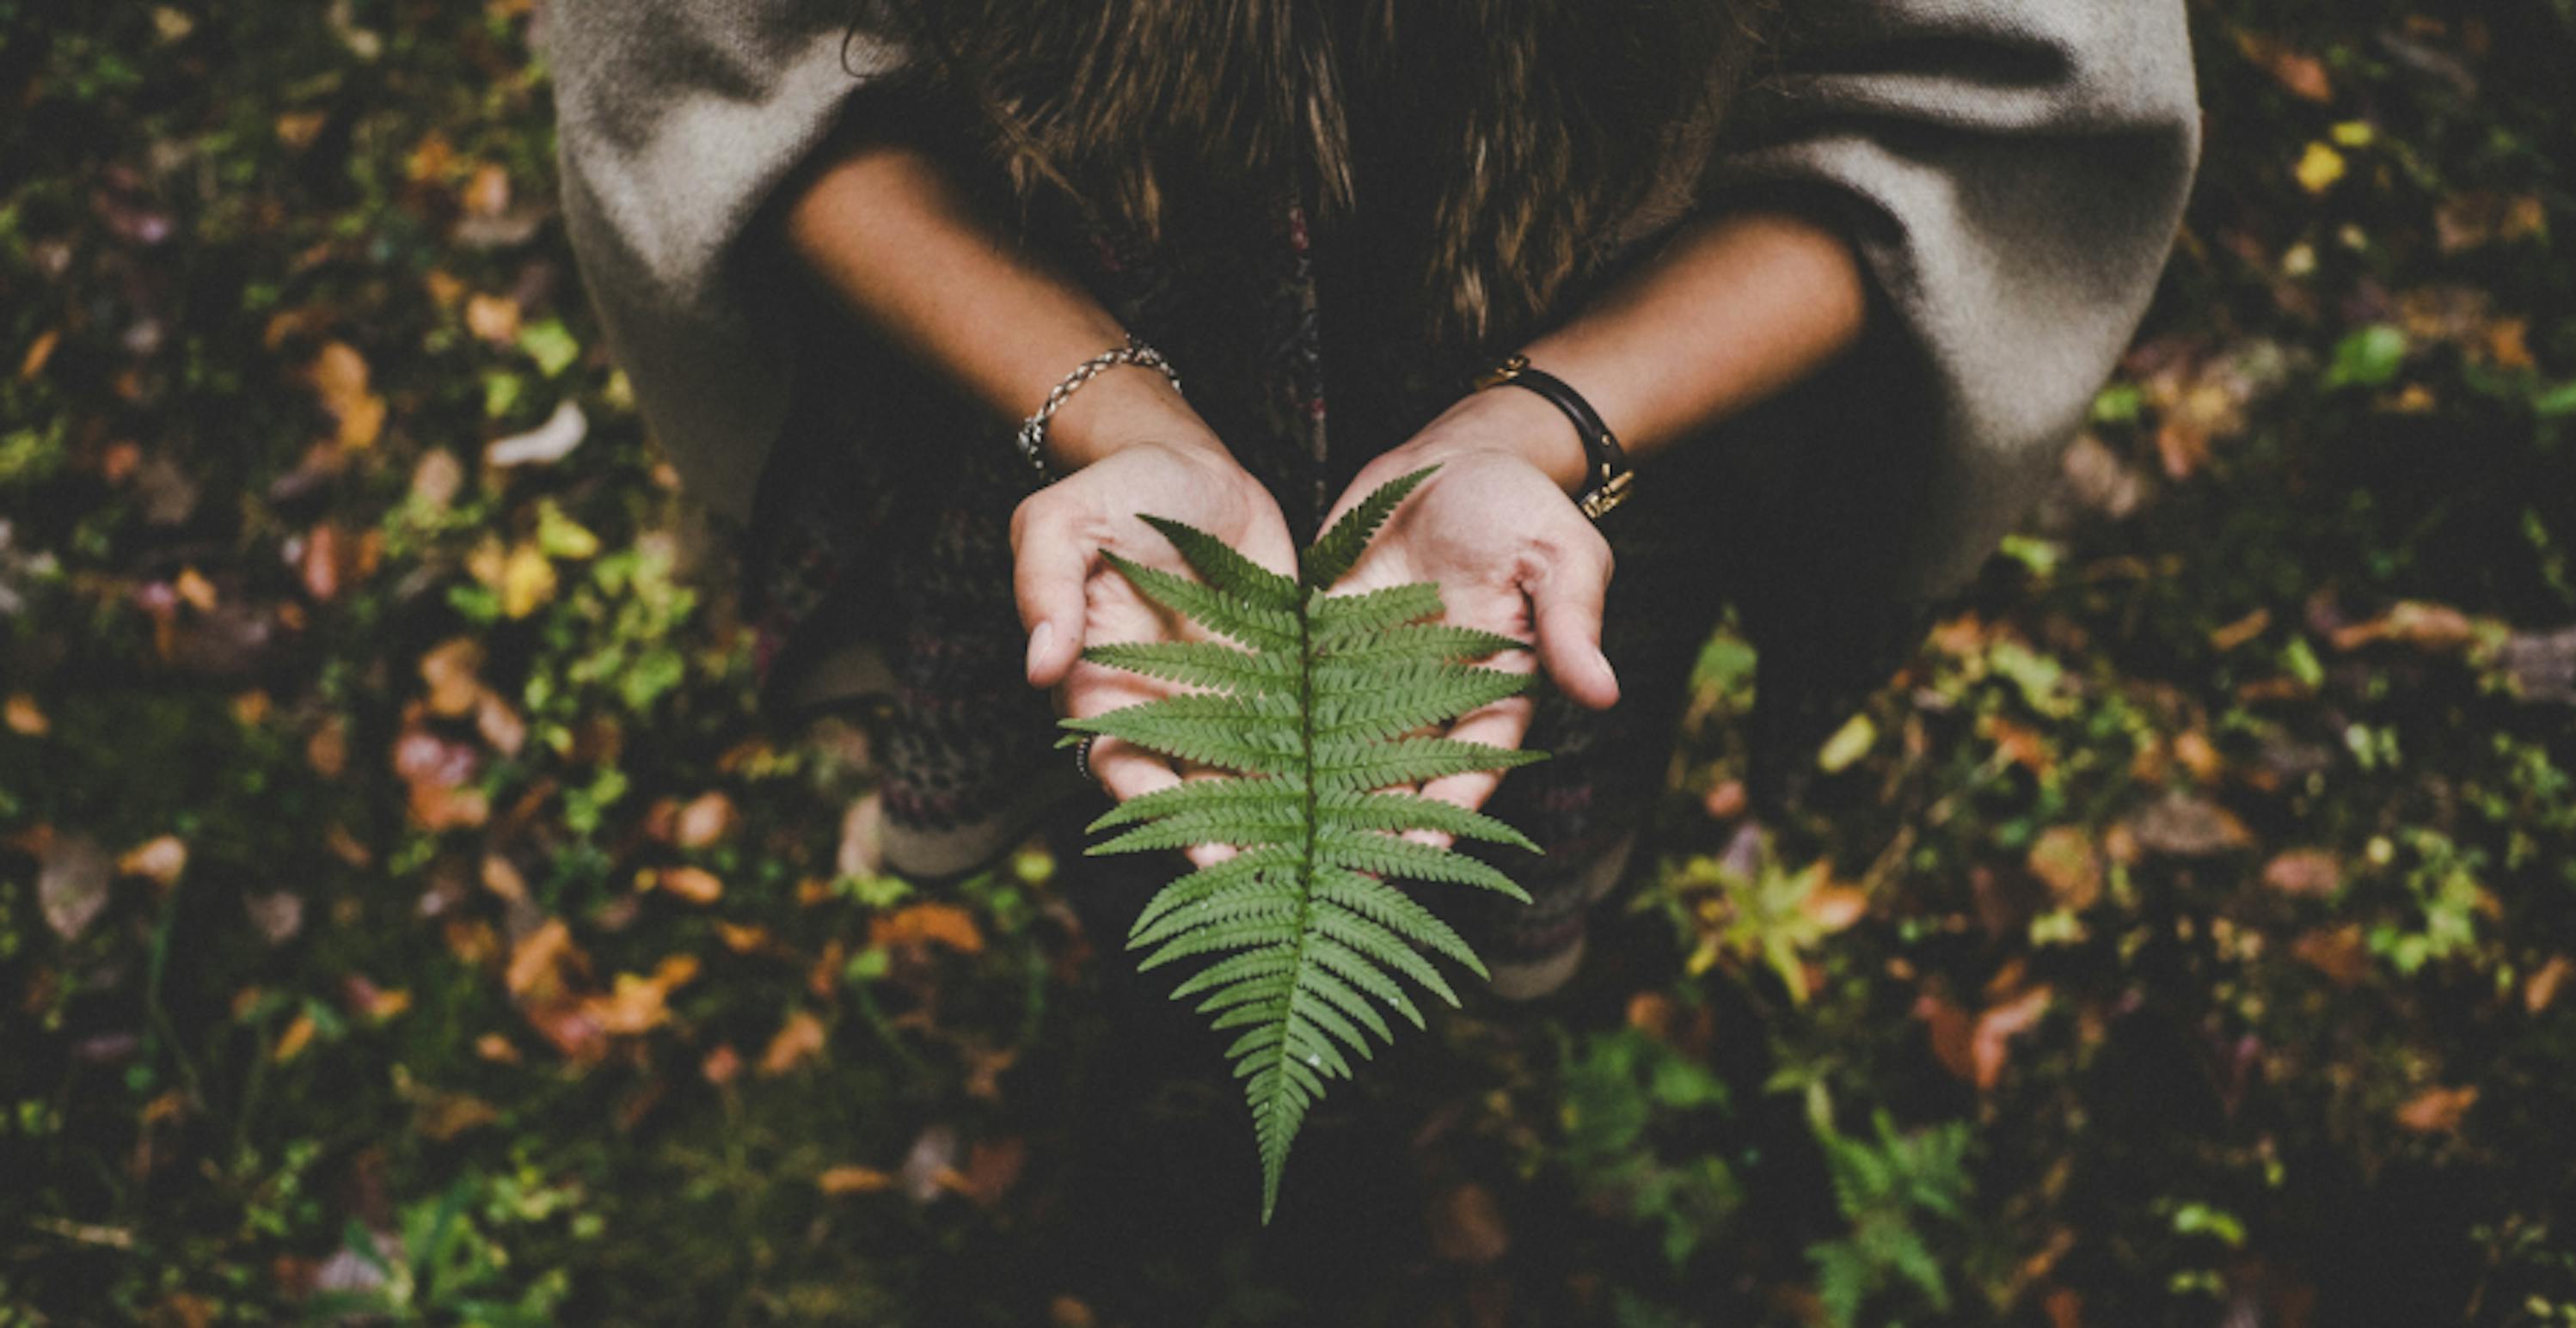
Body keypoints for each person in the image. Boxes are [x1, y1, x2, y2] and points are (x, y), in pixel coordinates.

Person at [544, 0, 2200, 998]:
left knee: (1472, 810)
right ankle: (1172, 979)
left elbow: (2000, 108)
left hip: (1618, 362)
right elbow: (708, 60)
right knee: (1118, 774)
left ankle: (1354, 1027)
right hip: (1029, 302)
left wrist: (1539, 427)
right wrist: (1114, 416)